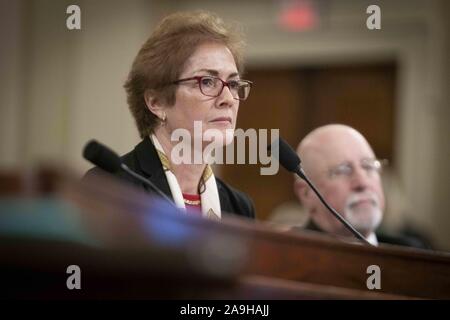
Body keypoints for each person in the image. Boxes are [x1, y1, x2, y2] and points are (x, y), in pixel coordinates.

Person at [84, 11, 255, 220]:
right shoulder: (110, 188)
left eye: (234, 84)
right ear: (157, 102)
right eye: (208, 82)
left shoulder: (239, 207)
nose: (228, 98)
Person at [293, 124, 428, 248]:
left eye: (368, 166)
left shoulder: (415, 254)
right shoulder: (286, 258)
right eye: (343, 170)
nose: (362, 183)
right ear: (307, 193)